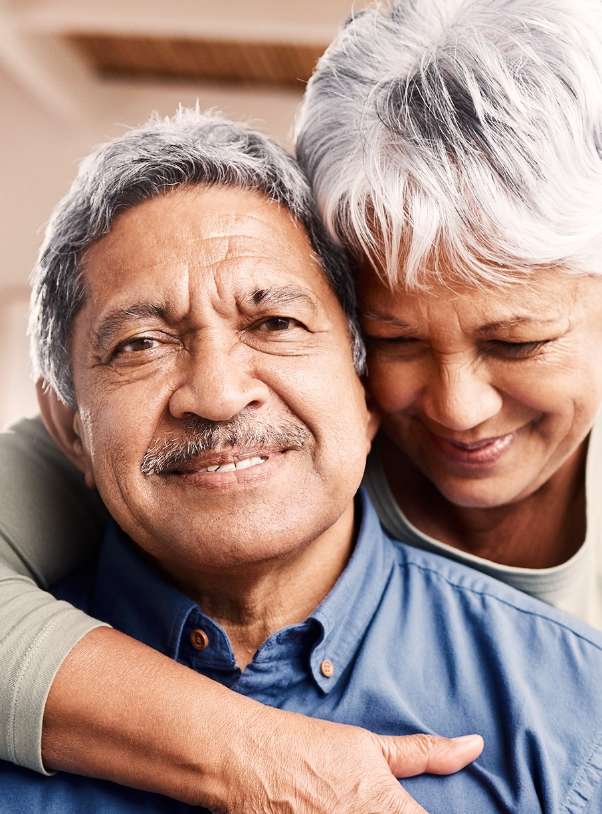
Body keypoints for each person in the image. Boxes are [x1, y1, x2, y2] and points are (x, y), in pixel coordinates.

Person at [1, 0, 602, 809]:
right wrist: (255, 757)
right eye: (396, 340)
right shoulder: (137, 443)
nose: (457, 408)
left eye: (518, 342)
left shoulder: (574, 709)